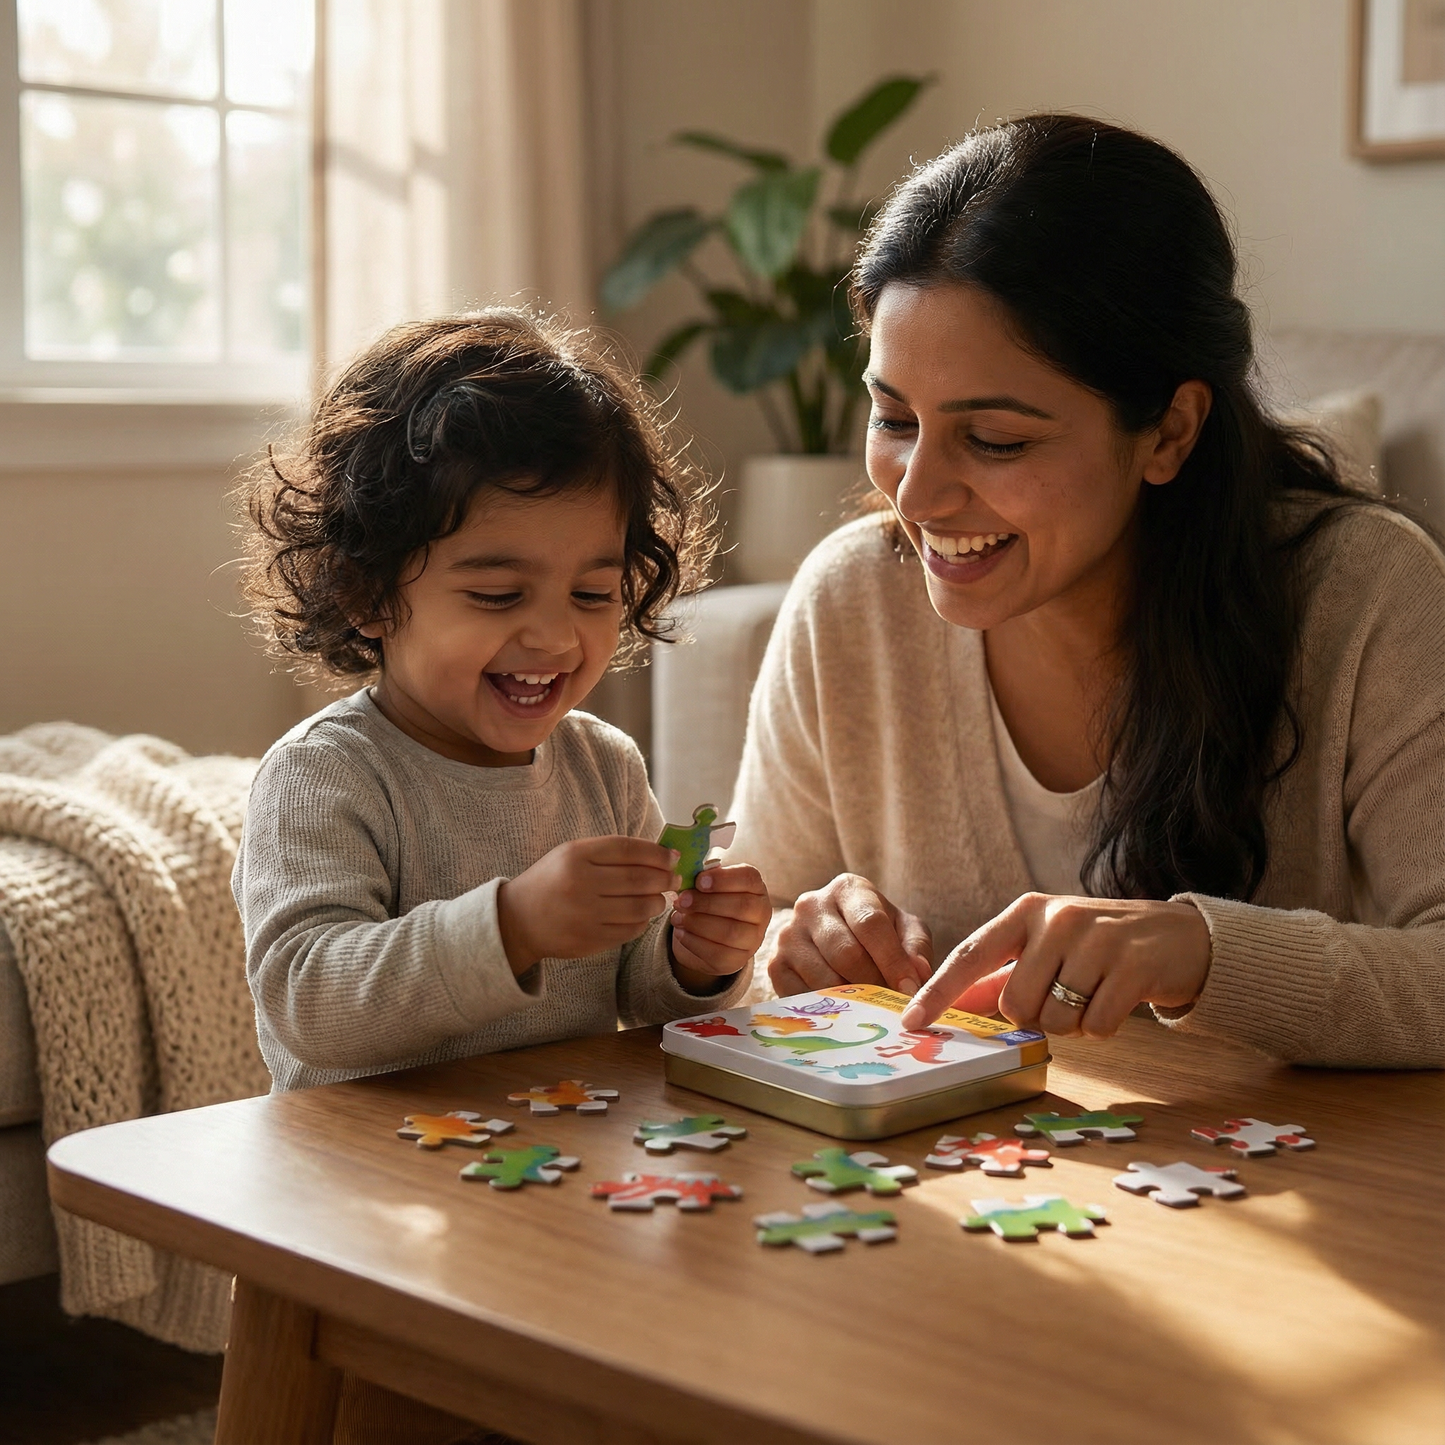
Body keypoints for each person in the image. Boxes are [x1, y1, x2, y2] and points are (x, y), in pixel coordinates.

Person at [728, 115, 1445, 1069]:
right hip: (946, 1201)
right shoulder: (848, 605)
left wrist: (1200, 953)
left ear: (1168, 433)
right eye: (894, 417)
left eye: (998, 441)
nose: (919, 491)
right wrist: (791, 942)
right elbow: (745, 924)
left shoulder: (1364, 596)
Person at [234, 310, 766, 1091]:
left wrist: (696, 956)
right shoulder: (324, 777)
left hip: (553, 1165)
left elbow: (638, 996)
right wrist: (509, 926)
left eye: (591, 591)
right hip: (359, 1184)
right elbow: (308, 1000)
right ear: (366, 594)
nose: (553, 636)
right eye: (496, 593)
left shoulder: (604, 767)